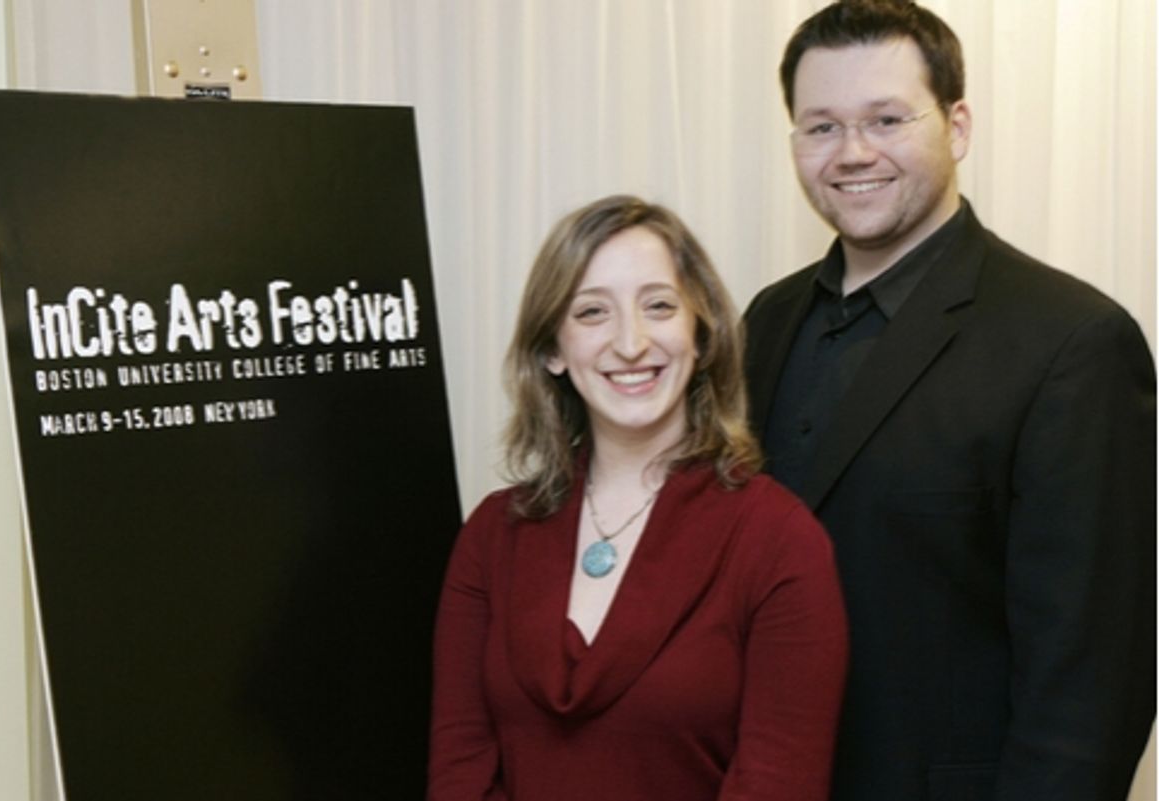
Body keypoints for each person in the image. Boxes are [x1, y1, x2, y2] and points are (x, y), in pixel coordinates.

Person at [742, 2, 1156, 800]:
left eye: (886, 119)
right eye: (822, 126)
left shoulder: (1072, 341)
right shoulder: (766, 319)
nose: (853, 152)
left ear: (957, 127)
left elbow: (1090, 686)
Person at [429, 194, 848, 801]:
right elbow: (460, 769)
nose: (630, 343)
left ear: (701, 334)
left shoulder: (779, 539)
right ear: (551, 350)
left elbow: (779, 783)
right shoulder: (493, 534)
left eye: (658, 306)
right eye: (592, 312)